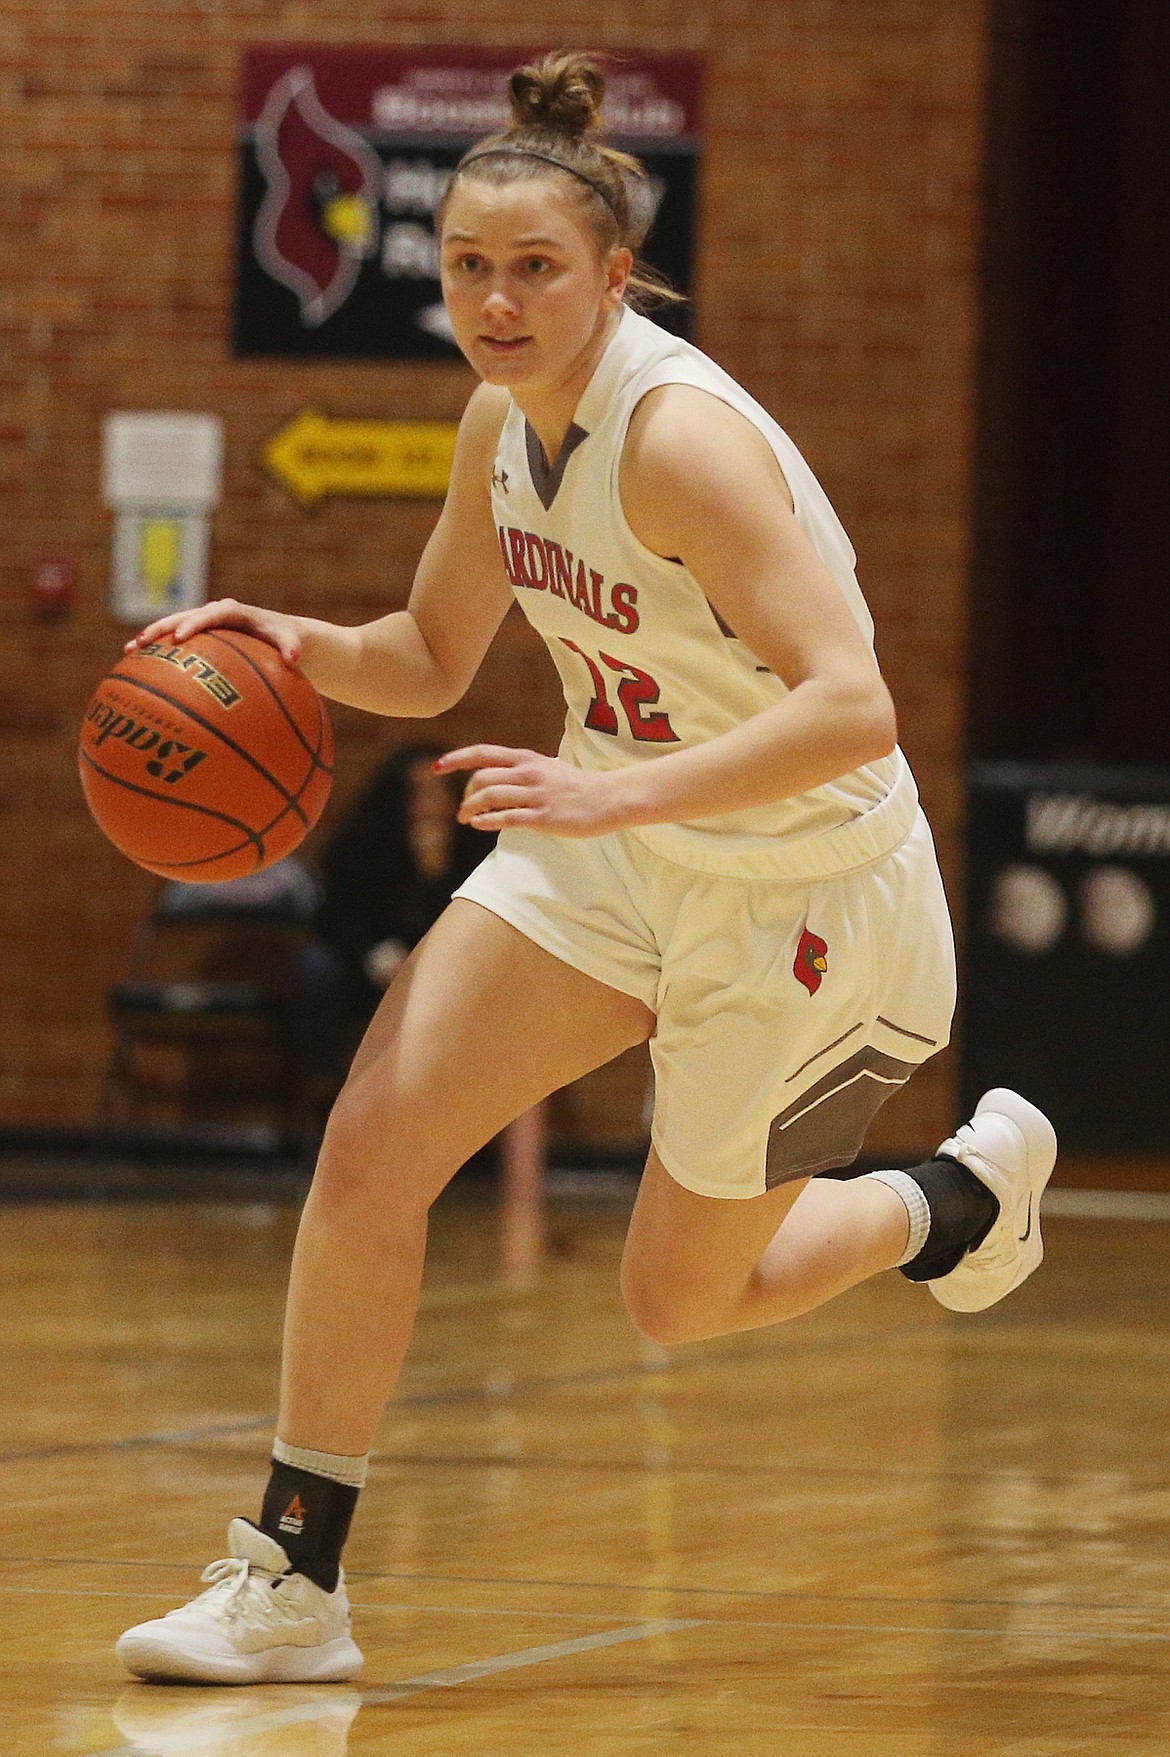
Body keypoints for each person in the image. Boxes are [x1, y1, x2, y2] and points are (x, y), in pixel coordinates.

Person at [114, 52, 1057, 1685]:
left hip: (807, 890)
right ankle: (292, 1577)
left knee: (678, 1301)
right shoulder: (501, 421)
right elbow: (422, 655)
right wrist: (287, 639)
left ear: (614, 279)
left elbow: (855, 706)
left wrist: (623, 801)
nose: (497, 299)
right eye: (470, 267)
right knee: (371, 1147)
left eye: (536, 268)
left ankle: (955, 1196)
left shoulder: (679, 441)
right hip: (609, 835)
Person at [291, 745, 492, 1090]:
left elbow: (482, 923)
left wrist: (435, 872)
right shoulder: (367, 842)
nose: (428, 806)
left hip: (448, 968)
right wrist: (376, 957)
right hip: (368, 965)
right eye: (417, 794)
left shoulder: (476, 843)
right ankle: (325, 1085)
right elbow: (334, 916)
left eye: (437, 793)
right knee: (316, 969)